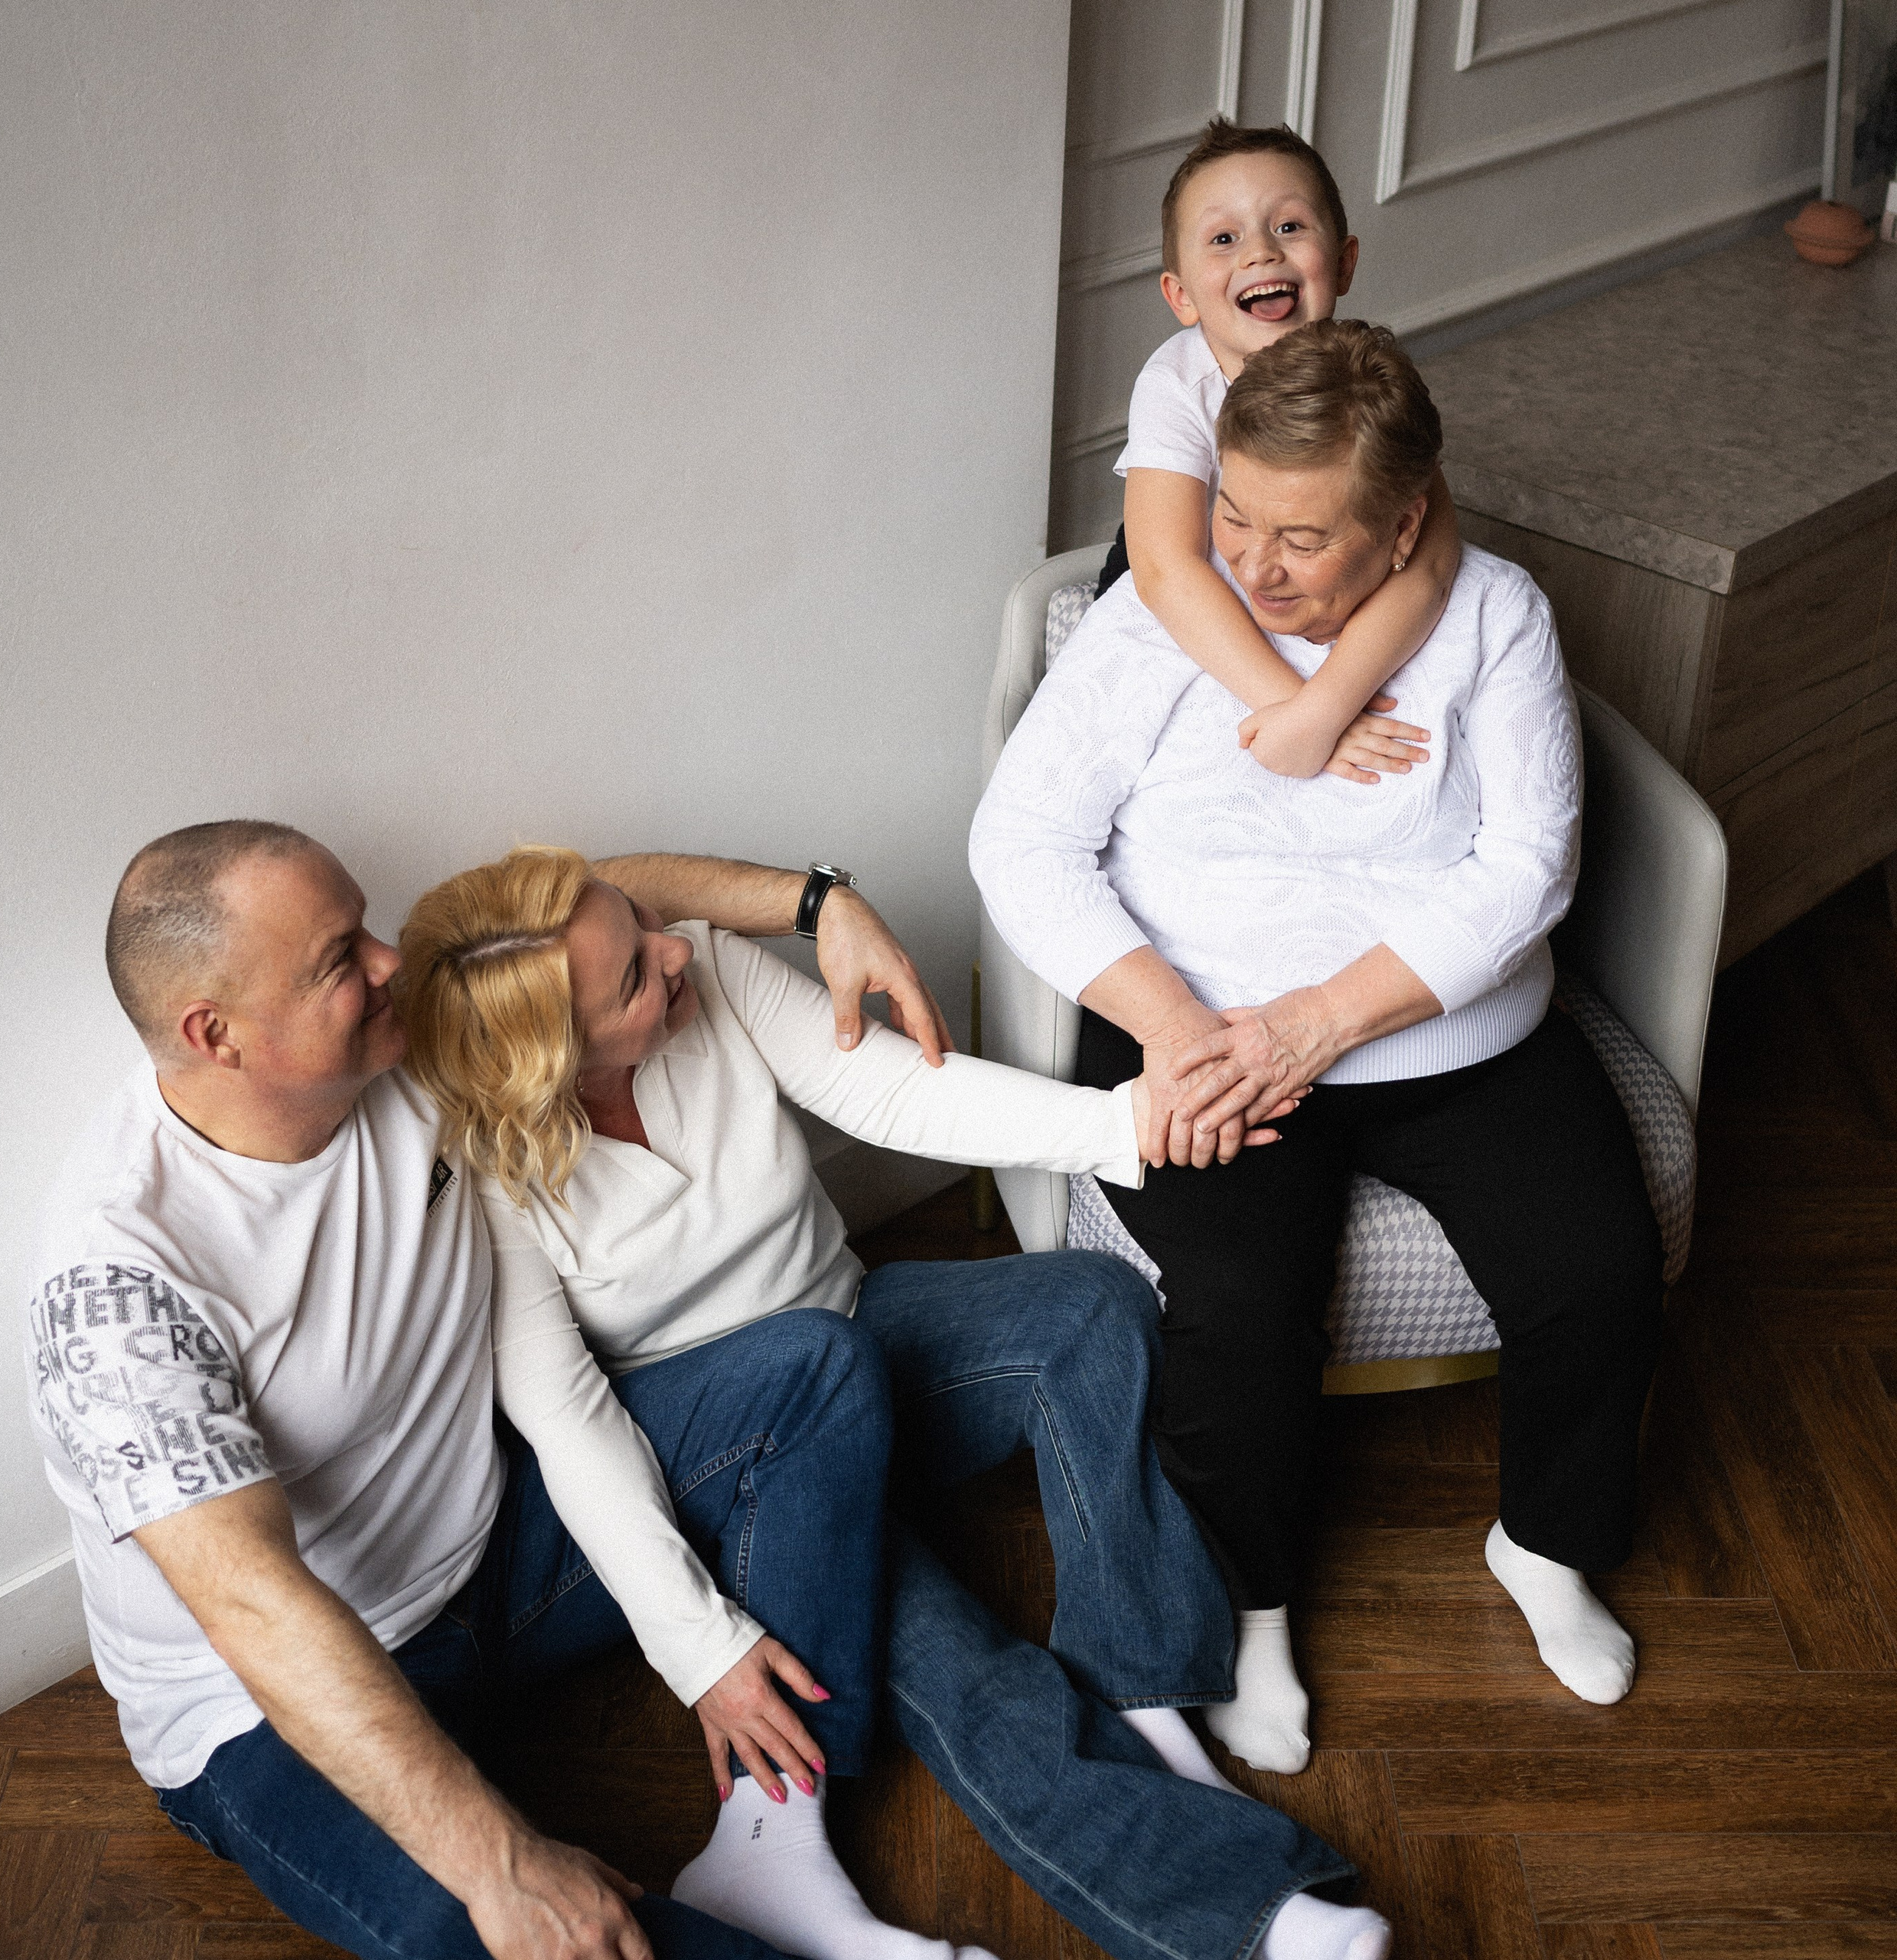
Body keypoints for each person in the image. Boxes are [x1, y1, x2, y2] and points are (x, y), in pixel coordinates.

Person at [24, 822, 1375, 1960]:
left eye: (372, 933)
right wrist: (520, 1842)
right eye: (341, 961)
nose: (386, 967)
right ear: (219, 1032)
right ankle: (1172, 1896)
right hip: (277, 1691)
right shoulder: (123, 1284)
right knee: (517, 1928)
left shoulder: (398, 1055)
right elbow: (270, 1606)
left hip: (514, 1550)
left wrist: (822, 901)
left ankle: (957, 1776)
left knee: (845, 1364)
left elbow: (604, 901)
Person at [398, 846, 1393, 1960]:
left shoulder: (705, 975)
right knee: (971, 1670)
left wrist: (1127, 1120)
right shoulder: (484, 1173)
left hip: (855, 1333)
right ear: (555, 1058)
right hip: (749, 1480)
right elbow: (571, 1425)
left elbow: (892, 1086)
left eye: (644, 924)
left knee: (1094, 1305)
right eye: (634, 973)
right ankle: (1256, 1918)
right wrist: (702, 1649)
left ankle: (1147, 1688)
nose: (675, 949)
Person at [972, 321, 1666, 1780]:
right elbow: (1021, 838)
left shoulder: (1495, 616)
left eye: (1301, 534)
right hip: (1202, 1025)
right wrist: (1174, 1028)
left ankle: (1547, 1544)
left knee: (1598, 1259)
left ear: (1405, 523)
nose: (1252, 562)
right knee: (1236, 1294)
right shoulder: (1156, 619)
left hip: (1442, 1026)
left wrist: (1319, 1022)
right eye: (1231, 512)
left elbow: (1531, 865)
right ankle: (1252, 1595)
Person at [1099, 120, 1461, 783]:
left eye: (1289, 227)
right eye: (1224, 238)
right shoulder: (1176, 382)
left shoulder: (1364, 381)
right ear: (1180, 295)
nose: (1261, 253)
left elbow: (1430, 560)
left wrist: (1328, 706)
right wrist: (1291, 707)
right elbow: (1165, 572)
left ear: (1345, 263)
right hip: (1186, 571)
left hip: (1312, 573)